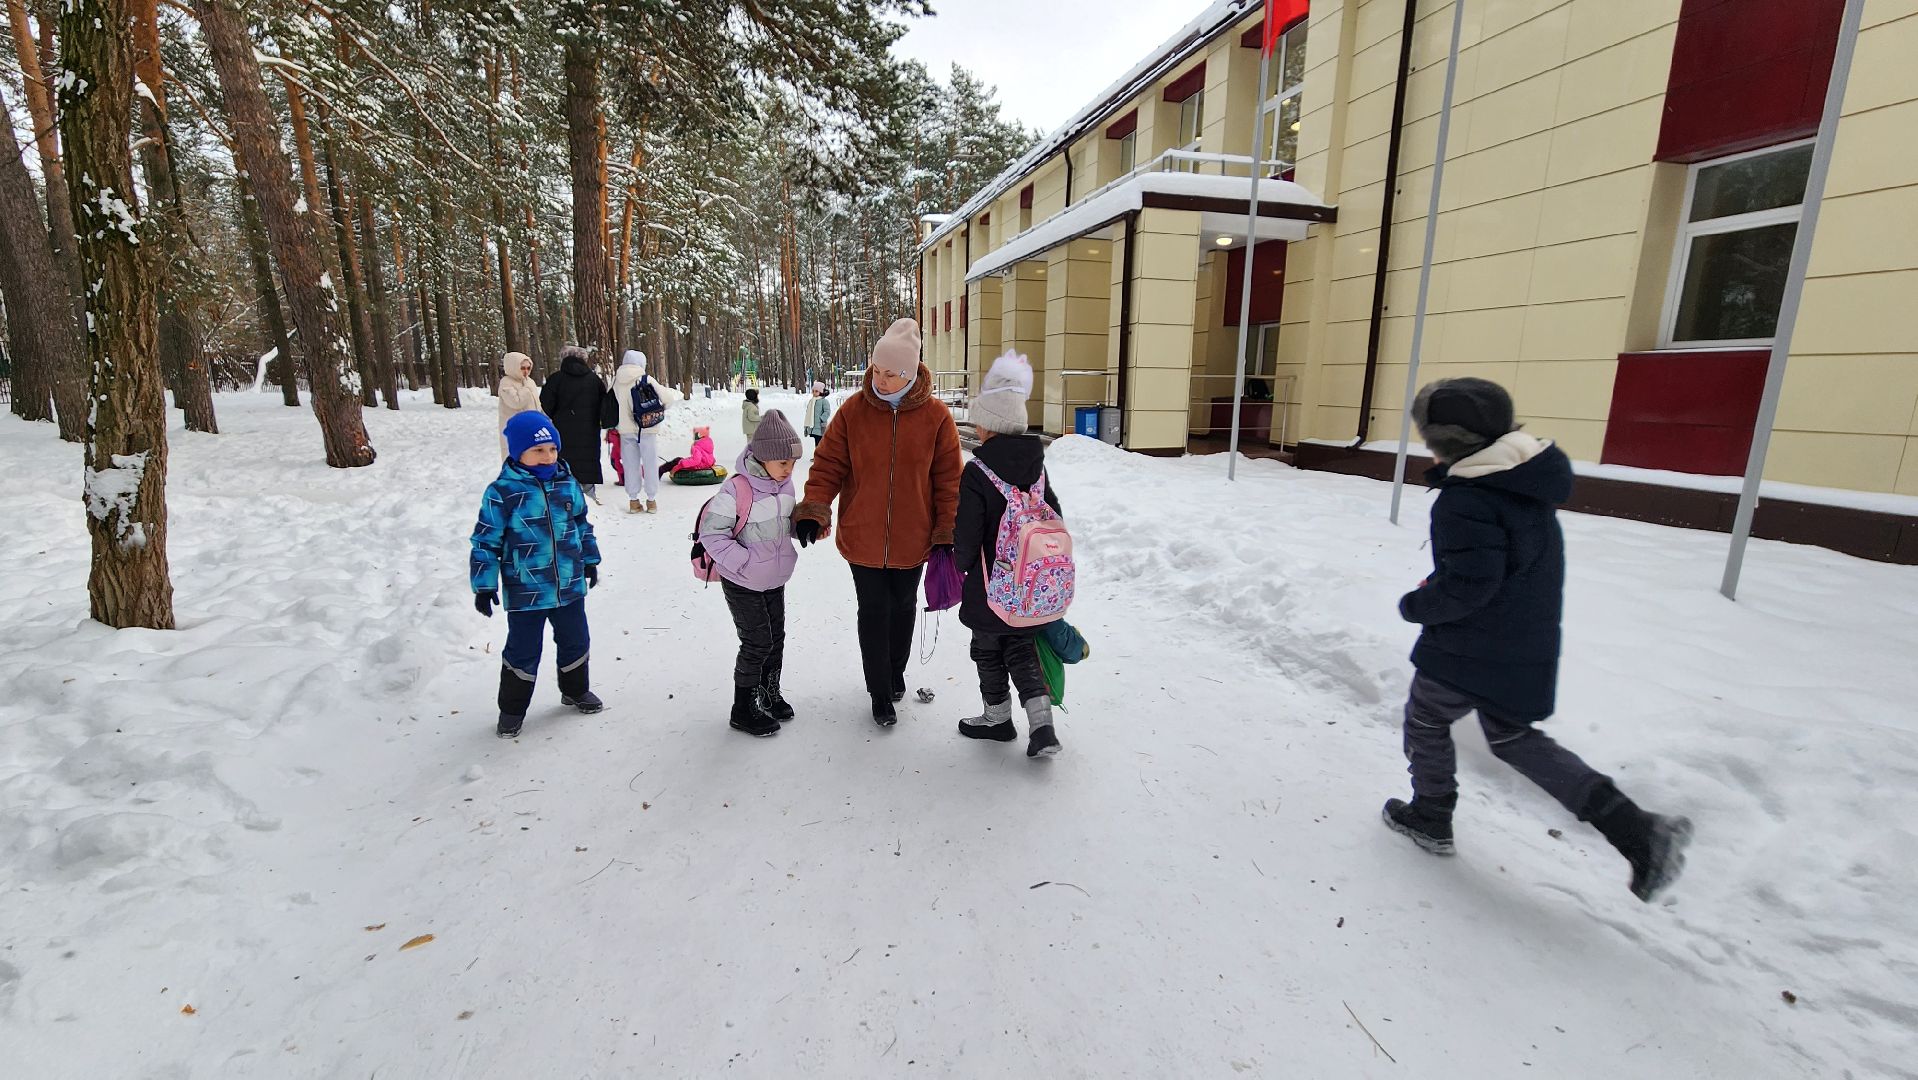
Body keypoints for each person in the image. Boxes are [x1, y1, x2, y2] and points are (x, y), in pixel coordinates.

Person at [1383, 378, 1692, 902]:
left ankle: (1431, 815)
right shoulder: (1524, 482)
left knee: (1427, 718)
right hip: (1523, 642)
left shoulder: (1468, 499)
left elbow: (1471, 583)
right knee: (1512, 738)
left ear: (1447, 441)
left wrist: (1418, 605)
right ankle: (1636, 829)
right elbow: (1504, 568)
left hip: (1468, 647)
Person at [794, 318, 962, 728]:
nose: (880, 380)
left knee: (903, 607)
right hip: (862, 535)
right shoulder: (854, 410)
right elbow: (829, 463)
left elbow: (948, 481)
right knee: (873, 608)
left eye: (889, 374)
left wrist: (946, 532)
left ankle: (896, 670)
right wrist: (814, 507)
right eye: (876, 370)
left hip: (913, 536)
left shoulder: (937, 417)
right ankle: (879, 692)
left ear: (908, 373)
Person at [952, 352, 1062, 758]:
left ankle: (997, 719)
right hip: (1031, 584)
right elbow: (1054, 515)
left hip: (990, 583)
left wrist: (959, 565)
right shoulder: (1037, 468)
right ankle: (1042, 724)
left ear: (992, 425)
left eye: (980, 420)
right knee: (1021, 648)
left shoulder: (978, 473)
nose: (976, 427)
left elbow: (968, 533)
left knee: (986, 648)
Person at [471, 411, 605, 739]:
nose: (547, 457)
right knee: (523, 650)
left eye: (552, 449)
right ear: (518, 453)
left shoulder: (566, 483)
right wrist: (484, 584)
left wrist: (590, 559)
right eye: (538, 450)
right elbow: (485, 540)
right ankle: (512, 709)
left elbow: (581, 525)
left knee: (576, 640)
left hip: (569, 585)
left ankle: (574, 690)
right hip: (526, 591)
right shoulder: (502, 492)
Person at [698, 410, 805, 738]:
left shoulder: (784, 486)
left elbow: (783, 524)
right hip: (742, 580)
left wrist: (804, 526)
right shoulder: (736, 490)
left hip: (774, 580)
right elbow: (711, 533)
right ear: (763, 457)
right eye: (783, 463)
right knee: (757, 642)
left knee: (776, 640)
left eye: (792, 463)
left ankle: (769, 694)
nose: (789, 469)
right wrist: (743, 562)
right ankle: (742, 708)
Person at [538, 344, 607, 504]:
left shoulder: (556, 379)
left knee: (564, 462)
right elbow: (604, 405)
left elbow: (546, 404)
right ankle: (589, 499)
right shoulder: (594, 379)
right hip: (589, 431)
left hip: (562, 430)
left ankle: (563, 498)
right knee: (587, 462)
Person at [613, 349, 672, 514]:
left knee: (630, 465)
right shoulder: (645, 379)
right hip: (647, 428)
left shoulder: (615, 381)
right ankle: (651, 501)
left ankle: (633, 501)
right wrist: (658, 411)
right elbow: (668, 399)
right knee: (650, 463)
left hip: (624, 430)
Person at [495, 352, 540, 460]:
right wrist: (526, 389)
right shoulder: (506, 383)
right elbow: (515, 402)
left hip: (532, 427)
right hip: (514, 428)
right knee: (516, 458)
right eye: (522, 368)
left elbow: (536, 404)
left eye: (528, 368)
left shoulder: (530, 382)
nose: (526, 371)